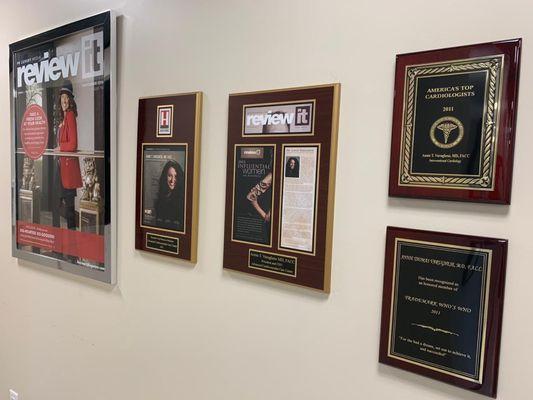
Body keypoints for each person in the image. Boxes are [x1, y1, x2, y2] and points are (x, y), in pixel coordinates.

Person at [53, 80, 82, 231]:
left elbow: (73, 144)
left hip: (68, 169)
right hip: (61, 167)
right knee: (57, 205)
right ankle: (58, 242)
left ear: (71, 100)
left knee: (69, 211)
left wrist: (59, 148)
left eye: (67, 97)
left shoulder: (70, 115)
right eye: (62, 97)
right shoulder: (63, 118)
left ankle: (72, 249)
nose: (64, 100)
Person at [154, 159, 185, 231]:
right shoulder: (160, 199)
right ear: (165, 177)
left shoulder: (182, 201)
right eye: (170, 176)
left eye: (176, 176)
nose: (172, 180)